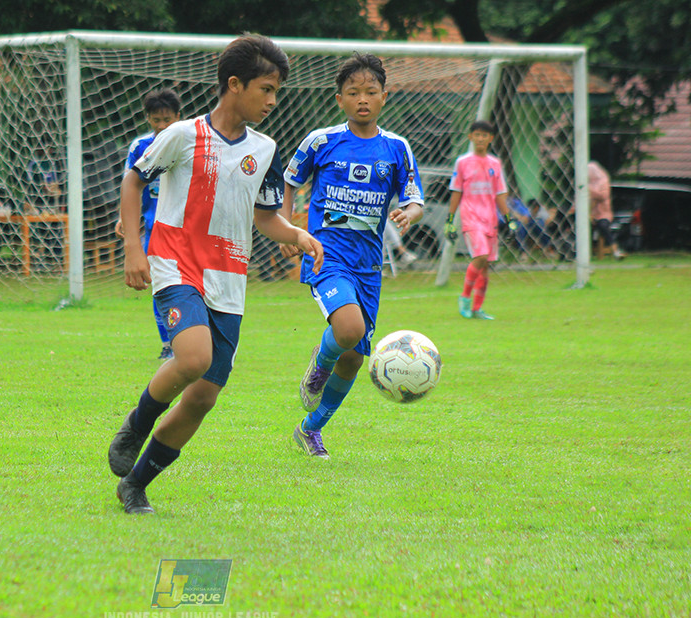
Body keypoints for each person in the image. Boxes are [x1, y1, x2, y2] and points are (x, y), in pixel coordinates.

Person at [107, 34, 324, 514]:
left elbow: (266, 216)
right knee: (192, 357)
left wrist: (298, 236)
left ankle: (136, 484)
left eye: (276, 91)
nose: (272, 101)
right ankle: (136, 425)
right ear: (234, 84)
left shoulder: (265, 149)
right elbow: (134, 177)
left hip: (229, 279)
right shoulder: (183, 134)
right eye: (266, 89)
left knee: (203, 397)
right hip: (174, 262)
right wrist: (133, 250)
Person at [282, 52, 424, 459]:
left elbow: (414, 199)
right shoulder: (321, 141)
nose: (363, 99)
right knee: (347, 330)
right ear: (339, 99)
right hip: (327, 255)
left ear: (384, 97)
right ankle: (318, 366)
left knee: (355, 359)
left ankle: (310, 430)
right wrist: (291, 226)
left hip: (369, 266)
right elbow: (290, 181)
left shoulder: (396, 148)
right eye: (353, 92)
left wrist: (407, 214)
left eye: (371, 92)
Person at [114, 88, 183, 359]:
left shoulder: (188, 144)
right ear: (148, 119)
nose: (162, 126)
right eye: (156, 120)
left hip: (186, 228)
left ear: (179, 117)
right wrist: (124, 217)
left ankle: (193, 338)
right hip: (154, 229)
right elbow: (130, 186)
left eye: (167, 119)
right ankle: (168, 343)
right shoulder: (140, 147)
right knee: (159, 284)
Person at [446, 119, 510, 320]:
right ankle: (464, 298)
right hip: (470, 216)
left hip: (490, 218)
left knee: (485, 266)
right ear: (470, 137)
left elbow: (500, 194)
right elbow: (456, 191)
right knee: (480, 255)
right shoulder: (462, 162)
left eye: (485, 135)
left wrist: (509, 217)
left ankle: (477, 308)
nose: (481, 138)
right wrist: (449, 220)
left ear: (490, 139)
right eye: (477, 135)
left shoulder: (495, 163)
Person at [587, 160, 626, 260]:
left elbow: (603, 196)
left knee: (603, 226)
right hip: (588, 213)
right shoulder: (588, 183)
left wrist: (590, 191)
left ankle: (615, 250)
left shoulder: (603, 181)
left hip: (603, 214)